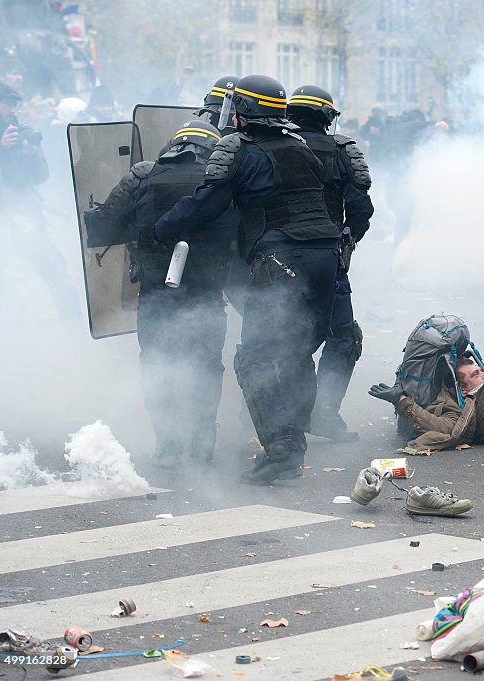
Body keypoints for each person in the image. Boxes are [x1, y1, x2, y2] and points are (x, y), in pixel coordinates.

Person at [152, 74, 341, 484]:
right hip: (325, 258)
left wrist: (160, 228)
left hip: (281, 261)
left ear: (243, 111)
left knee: (254, 360)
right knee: (293, 355)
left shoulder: (238, 148)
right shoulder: (302, 146)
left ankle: (283, 453)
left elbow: (206, 205)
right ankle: (292, 443)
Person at [85, 120, 237, 468]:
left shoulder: (142, 174)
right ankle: (202, 444)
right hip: (207, 293)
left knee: (157, 364)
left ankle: (168, 446)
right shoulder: (219, 182)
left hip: (156, 294)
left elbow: (105, 224)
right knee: (206, 366)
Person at [287, 84, 374, 442]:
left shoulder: (269, 147)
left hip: (280, 261)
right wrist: (346, 240)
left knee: (281, 336)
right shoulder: (340, 152)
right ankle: (322, 412)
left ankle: (281, 414)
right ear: (327, 118)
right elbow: (360, 209)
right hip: (329, 261)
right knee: (341, 335)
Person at [0, 82, 79, 338]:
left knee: (59, 279)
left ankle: (77, 339)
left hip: (27, 222)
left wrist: (30, 154)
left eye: (14, 105)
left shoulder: (21, 132)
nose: (11, 110)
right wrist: (0, 150)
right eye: (7, 104)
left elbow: (41, 176)